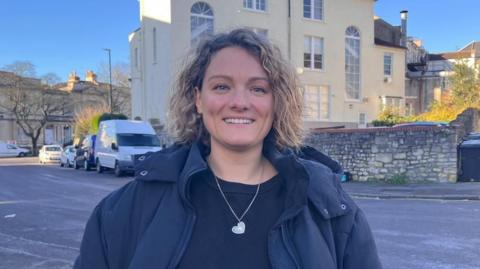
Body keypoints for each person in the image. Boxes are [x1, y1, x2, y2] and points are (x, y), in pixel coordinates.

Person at [74, 28, 382, 269]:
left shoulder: (328, 206)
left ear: (276, 102)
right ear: (198, 98)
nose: (239, 101)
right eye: (221, 86)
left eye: (258, 88)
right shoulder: (129, 207)